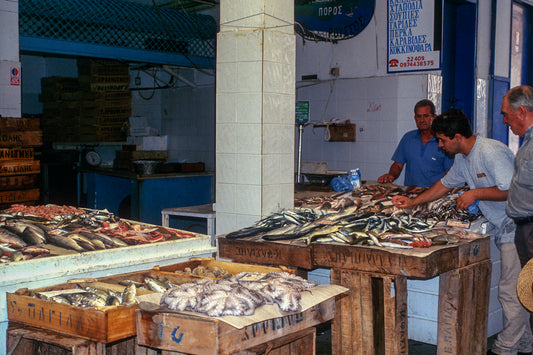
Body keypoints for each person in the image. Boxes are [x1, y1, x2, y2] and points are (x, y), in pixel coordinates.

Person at [391, 109, 532, 355]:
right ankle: (525, 344)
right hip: (503, 227)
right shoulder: (462, 159)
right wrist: (412, 203)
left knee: (509, 292)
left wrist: (476, 193)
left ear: (457, 137)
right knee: (516, 290)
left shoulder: (490, 152)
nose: (440, 145)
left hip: (516, 226)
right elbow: (445, 184)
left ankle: (504, 349)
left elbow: (512, 191)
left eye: (443, 140)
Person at [377, 99, 453, 188]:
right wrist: (391, 175)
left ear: (434, 117)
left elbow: (449, 174)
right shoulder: (408, 138)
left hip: (434, 195)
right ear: (415, 118)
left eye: (426, 116)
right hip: (410, 194)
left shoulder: (443, 141)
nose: (422, 120)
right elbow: (397, 165)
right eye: (418, 116)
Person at [502, 85, 533, 269]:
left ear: (521, 112)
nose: (505, 121)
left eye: (506, 114)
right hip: (524, 230)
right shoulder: (527, 143)